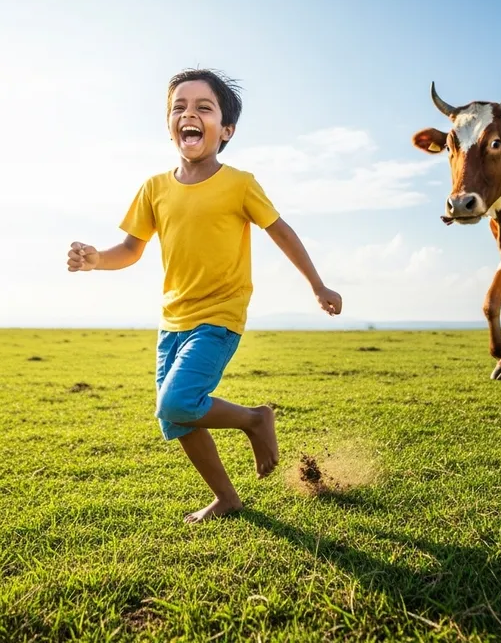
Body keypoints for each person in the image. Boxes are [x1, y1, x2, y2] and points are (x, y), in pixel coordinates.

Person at [66, 68, 342, 523]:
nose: (188, 114)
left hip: (219, 317)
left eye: (203, 108)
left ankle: (257, 420)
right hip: (172, 320)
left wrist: (317, 284)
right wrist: (97, 259)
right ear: (169, 124)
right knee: (175, 418)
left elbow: (282, 233)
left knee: (175, 401)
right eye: (179, 107)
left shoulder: (239, 183)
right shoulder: (154, 188)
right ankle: (227, 498)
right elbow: (131, 249)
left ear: (226, 130)